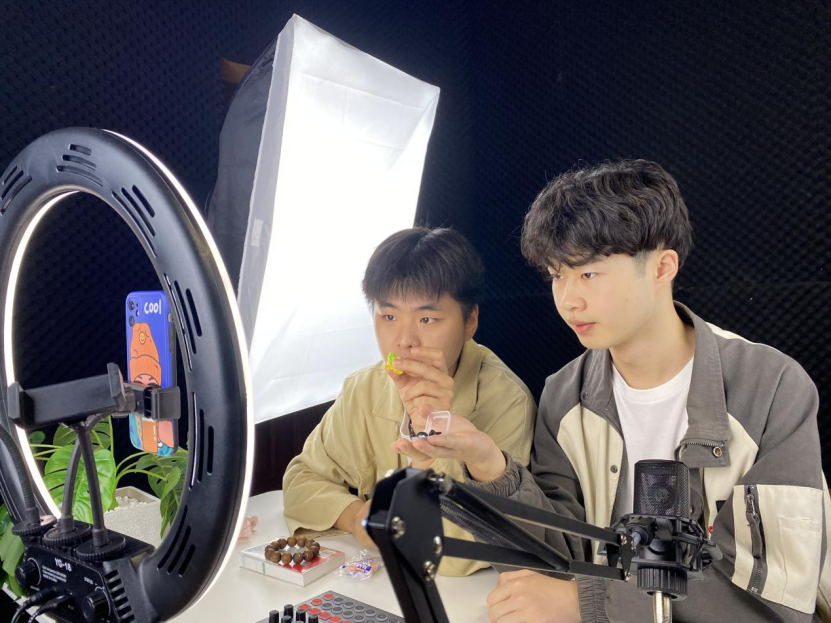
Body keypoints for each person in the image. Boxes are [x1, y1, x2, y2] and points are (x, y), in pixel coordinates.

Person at [409, 160, 830, 620]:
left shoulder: (772, 387)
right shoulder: (564, 394)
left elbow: (773, 598)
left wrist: (588, 602)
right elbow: (563, 552)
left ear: (662, 267)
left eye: (588, 274)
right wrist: (489, 464)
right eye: (557, 275)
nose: (568, 300)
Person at [282, 226, 536, 576]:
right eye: (388, 316)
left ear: (470, 321)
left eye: (427, 318)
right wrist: (356, 517)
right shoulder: (364, 387)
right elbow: (301, 480)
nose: (404, 341)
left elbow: (464, 551)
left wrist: (436, 421)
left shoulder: (508, 400)